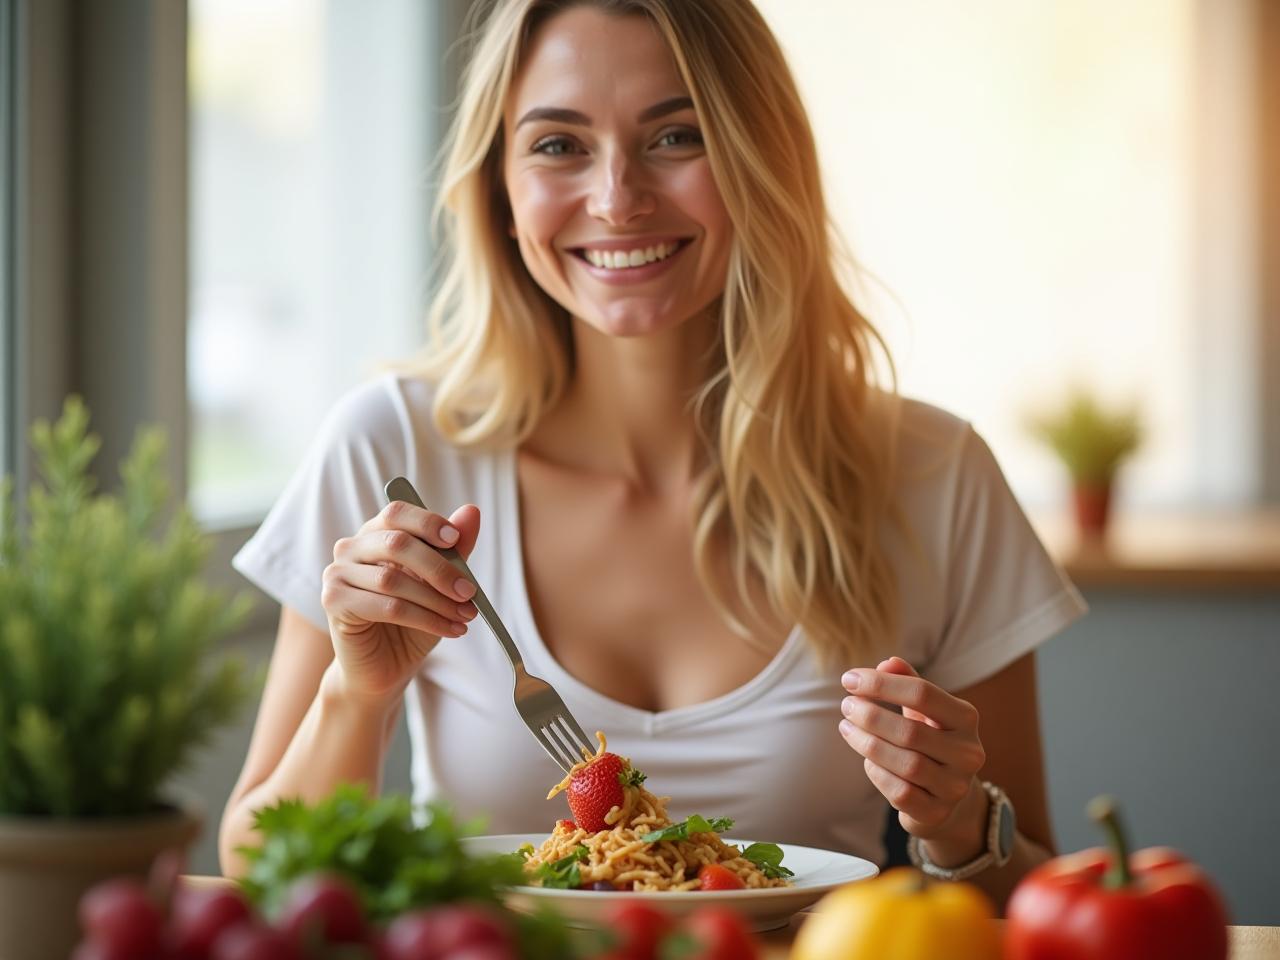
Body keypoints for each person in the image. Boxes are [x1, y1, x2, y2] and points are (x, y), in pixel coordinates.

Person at [219, 0, 1086, 910]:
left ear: (760, 162)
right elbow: (253, 861)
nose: (616, 198)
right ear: (499, 191)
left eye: (676, 135)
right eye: (559, 145)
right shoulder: (390, 445)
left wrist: (954, 824)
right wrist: (355, 697)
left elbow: (1036, 892)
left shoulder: (935, 475)